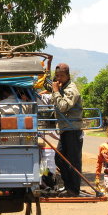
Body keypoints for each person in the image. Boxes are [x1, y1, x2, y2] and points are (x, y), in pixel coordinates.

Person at [42, 63, 83, 197]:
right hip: (65, 129)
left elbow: (63, 106)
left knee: (73, 161)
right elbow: (48, 85)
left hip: (73, 130)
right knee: (60, 159)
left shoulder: (71, 89)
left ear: (68, 76)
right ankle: (68, 186)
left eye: (61, 76)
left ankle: (73, 190)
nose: (58, 78)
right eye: (57, 75)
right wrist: (44, 76)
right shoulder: (61, 86)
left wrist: (55, 91)